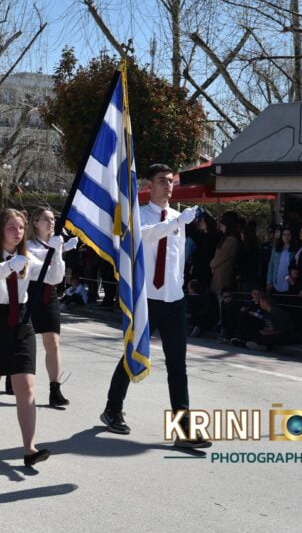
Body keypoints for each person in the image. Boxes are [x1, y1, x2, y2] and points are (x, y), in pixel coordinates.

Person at [99, 164, 210, 448]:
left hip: (173, 299)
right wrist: (178, 222)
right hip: (146, 299)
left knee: (178, 365)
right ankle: (112, 409)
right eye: (162, 181)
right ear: (149, 185)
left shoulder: (176, 218)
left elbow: (176, 258)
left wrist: (179, 285)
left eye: (171, 181)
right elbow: (146, 236)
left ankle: (183, 428)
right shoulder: (139, 215)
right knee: (133, 354)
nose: (168, 186)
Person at [0, 208, 50, 467]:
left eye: (21, 228)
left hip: (22, 322)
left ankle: (29, 448)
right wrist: (12, 264)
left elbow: (53, 276)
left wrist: (56, 254)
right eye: (12, 227)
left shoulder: (27, 257)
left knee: (26, 386)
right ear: (0, 230)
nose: (18, 232)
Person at [23, 208, 75, 408]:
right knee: (21, 341)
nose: (51, 222)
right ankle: (13, 374)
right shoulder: (27, 246)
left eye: (52, 219)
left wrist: (59, 250)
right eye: (45, 219)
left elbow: (56, 278)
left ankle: (55, 389)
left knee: (52, 342)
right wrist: (56, 251)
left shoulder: (55, 244)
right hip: (29, 294)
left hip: (49, 295)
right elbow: (39, 270)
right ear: (35, 222)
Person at [209, 211, 240, 294]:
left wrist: (212, 264)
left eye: (222, 226)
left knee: (221, 296)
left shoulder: (231, 240)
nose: (221, 228)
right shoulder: (227, 238)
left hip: (223, 273)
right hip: (220, 272)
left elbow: (221, 256)